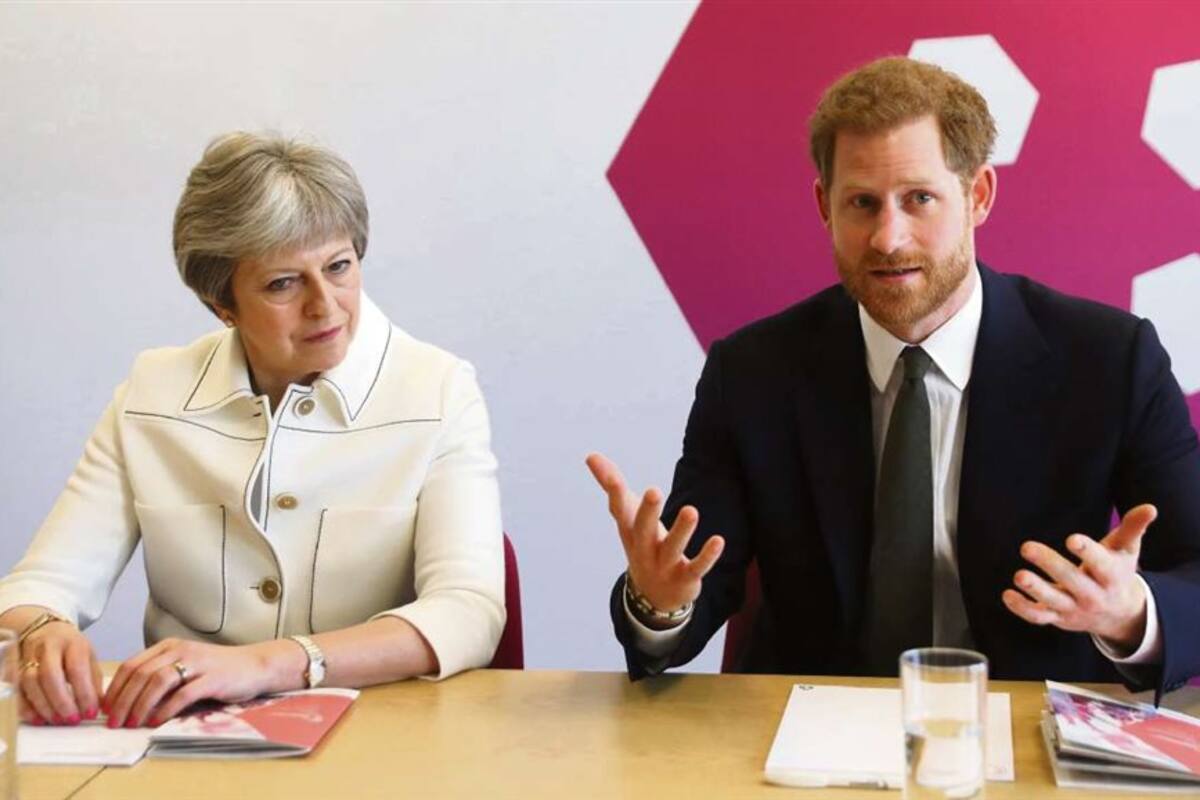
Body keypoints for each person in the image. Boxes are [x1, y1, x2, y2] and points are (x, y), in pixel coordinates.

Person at [589, 56, 1200, 698]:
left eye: (919, 199)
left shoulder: (1109, 359)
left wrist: (1129, 613)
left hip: (1030, 731)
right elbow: (694, 585)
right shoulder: (752, 373)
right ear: (824, 206)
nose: (888, 237)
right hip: (809, 735)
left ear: (978, 196)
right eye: (862, 203)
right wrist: (659, 605)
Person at [0, 132, 505, 728]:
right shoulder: (152, 392)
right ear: (222, 304)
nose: (327, 305)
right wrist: (41, 630)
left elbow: (469, 611)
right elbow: (37, 587)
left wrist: (269, 663)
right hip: (184, 738)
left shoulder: (438, 389)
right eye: (283, 284)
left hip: (382, 733)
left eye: (339, 267)